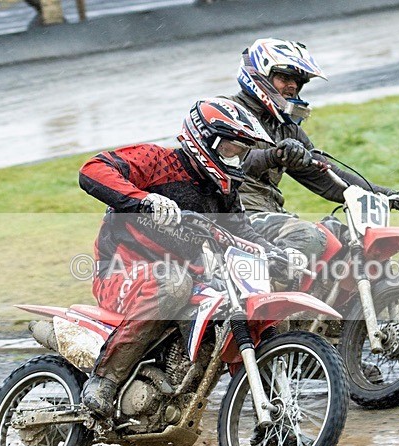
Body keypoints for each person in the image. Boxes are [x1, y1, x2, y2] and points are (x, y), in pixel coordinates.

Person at [78, 98, 302, 418]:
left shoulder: (222, 192)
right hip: (120, 271)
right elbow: (93, 170)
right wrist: (145, 200)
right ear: (205, 139)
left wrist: (278, 254)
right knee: (174, 282)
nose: (236, 157)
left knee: (239, 299)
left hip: (185, 278)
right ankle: (105, 381)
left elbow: (244, 234)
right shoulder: (157, 160)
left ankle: (275, 420)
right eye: (231, 148)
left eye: (242, 151)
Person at [223, 38, 399, 259]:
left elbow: (326, 174)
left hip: (270, 214)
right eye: (284, 77)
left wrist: (390, 196)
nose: (292, 86)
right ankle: (275, 293)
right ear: (259, 76)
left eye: (298, 81)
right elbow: (232, 160)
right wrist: (275, 156)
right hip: (232, 218)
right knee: (307, 236)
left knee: (345, 241)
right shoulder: (226, 111)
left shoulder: (286, 128)